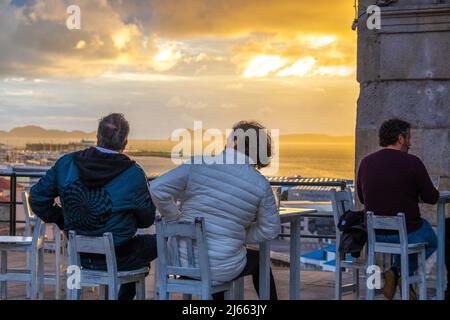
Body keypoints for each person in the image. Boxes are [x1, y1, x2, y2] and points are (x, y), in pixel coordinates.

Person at [29, 113, 157, 300]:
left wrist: (61, 219)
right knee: (157, 243)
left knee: (138, 251)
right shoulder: (133, 174)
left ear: (97, 137)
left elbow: (38, 198)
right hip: (119, 256)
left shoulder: (67, 163)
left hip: (79, 254)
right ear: (125, 143)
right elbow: (147, 219)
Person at [149, 120, 281, 299]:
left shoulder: (200, 164)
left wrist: (174, 218)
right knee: (259, 261)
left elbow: (157, 189)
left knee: (216, 264)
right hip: (221, 268)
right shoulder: (261, 185)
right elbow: (270, 229)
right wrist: (239, 235)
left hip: (182, 260)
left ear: (233, 141)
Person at [357, 118, 439, 300]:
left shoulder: (365, 162)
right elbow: (432, 198)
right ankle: (397, 273)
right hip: (406, 232)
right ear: (400, 138)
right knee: (432, 239)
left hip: (375, 233)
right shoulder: (412, 162)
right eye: (409, 138)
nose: (410, 143)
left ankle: (395, 275)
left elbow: (362, 198)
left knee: (403, 237)